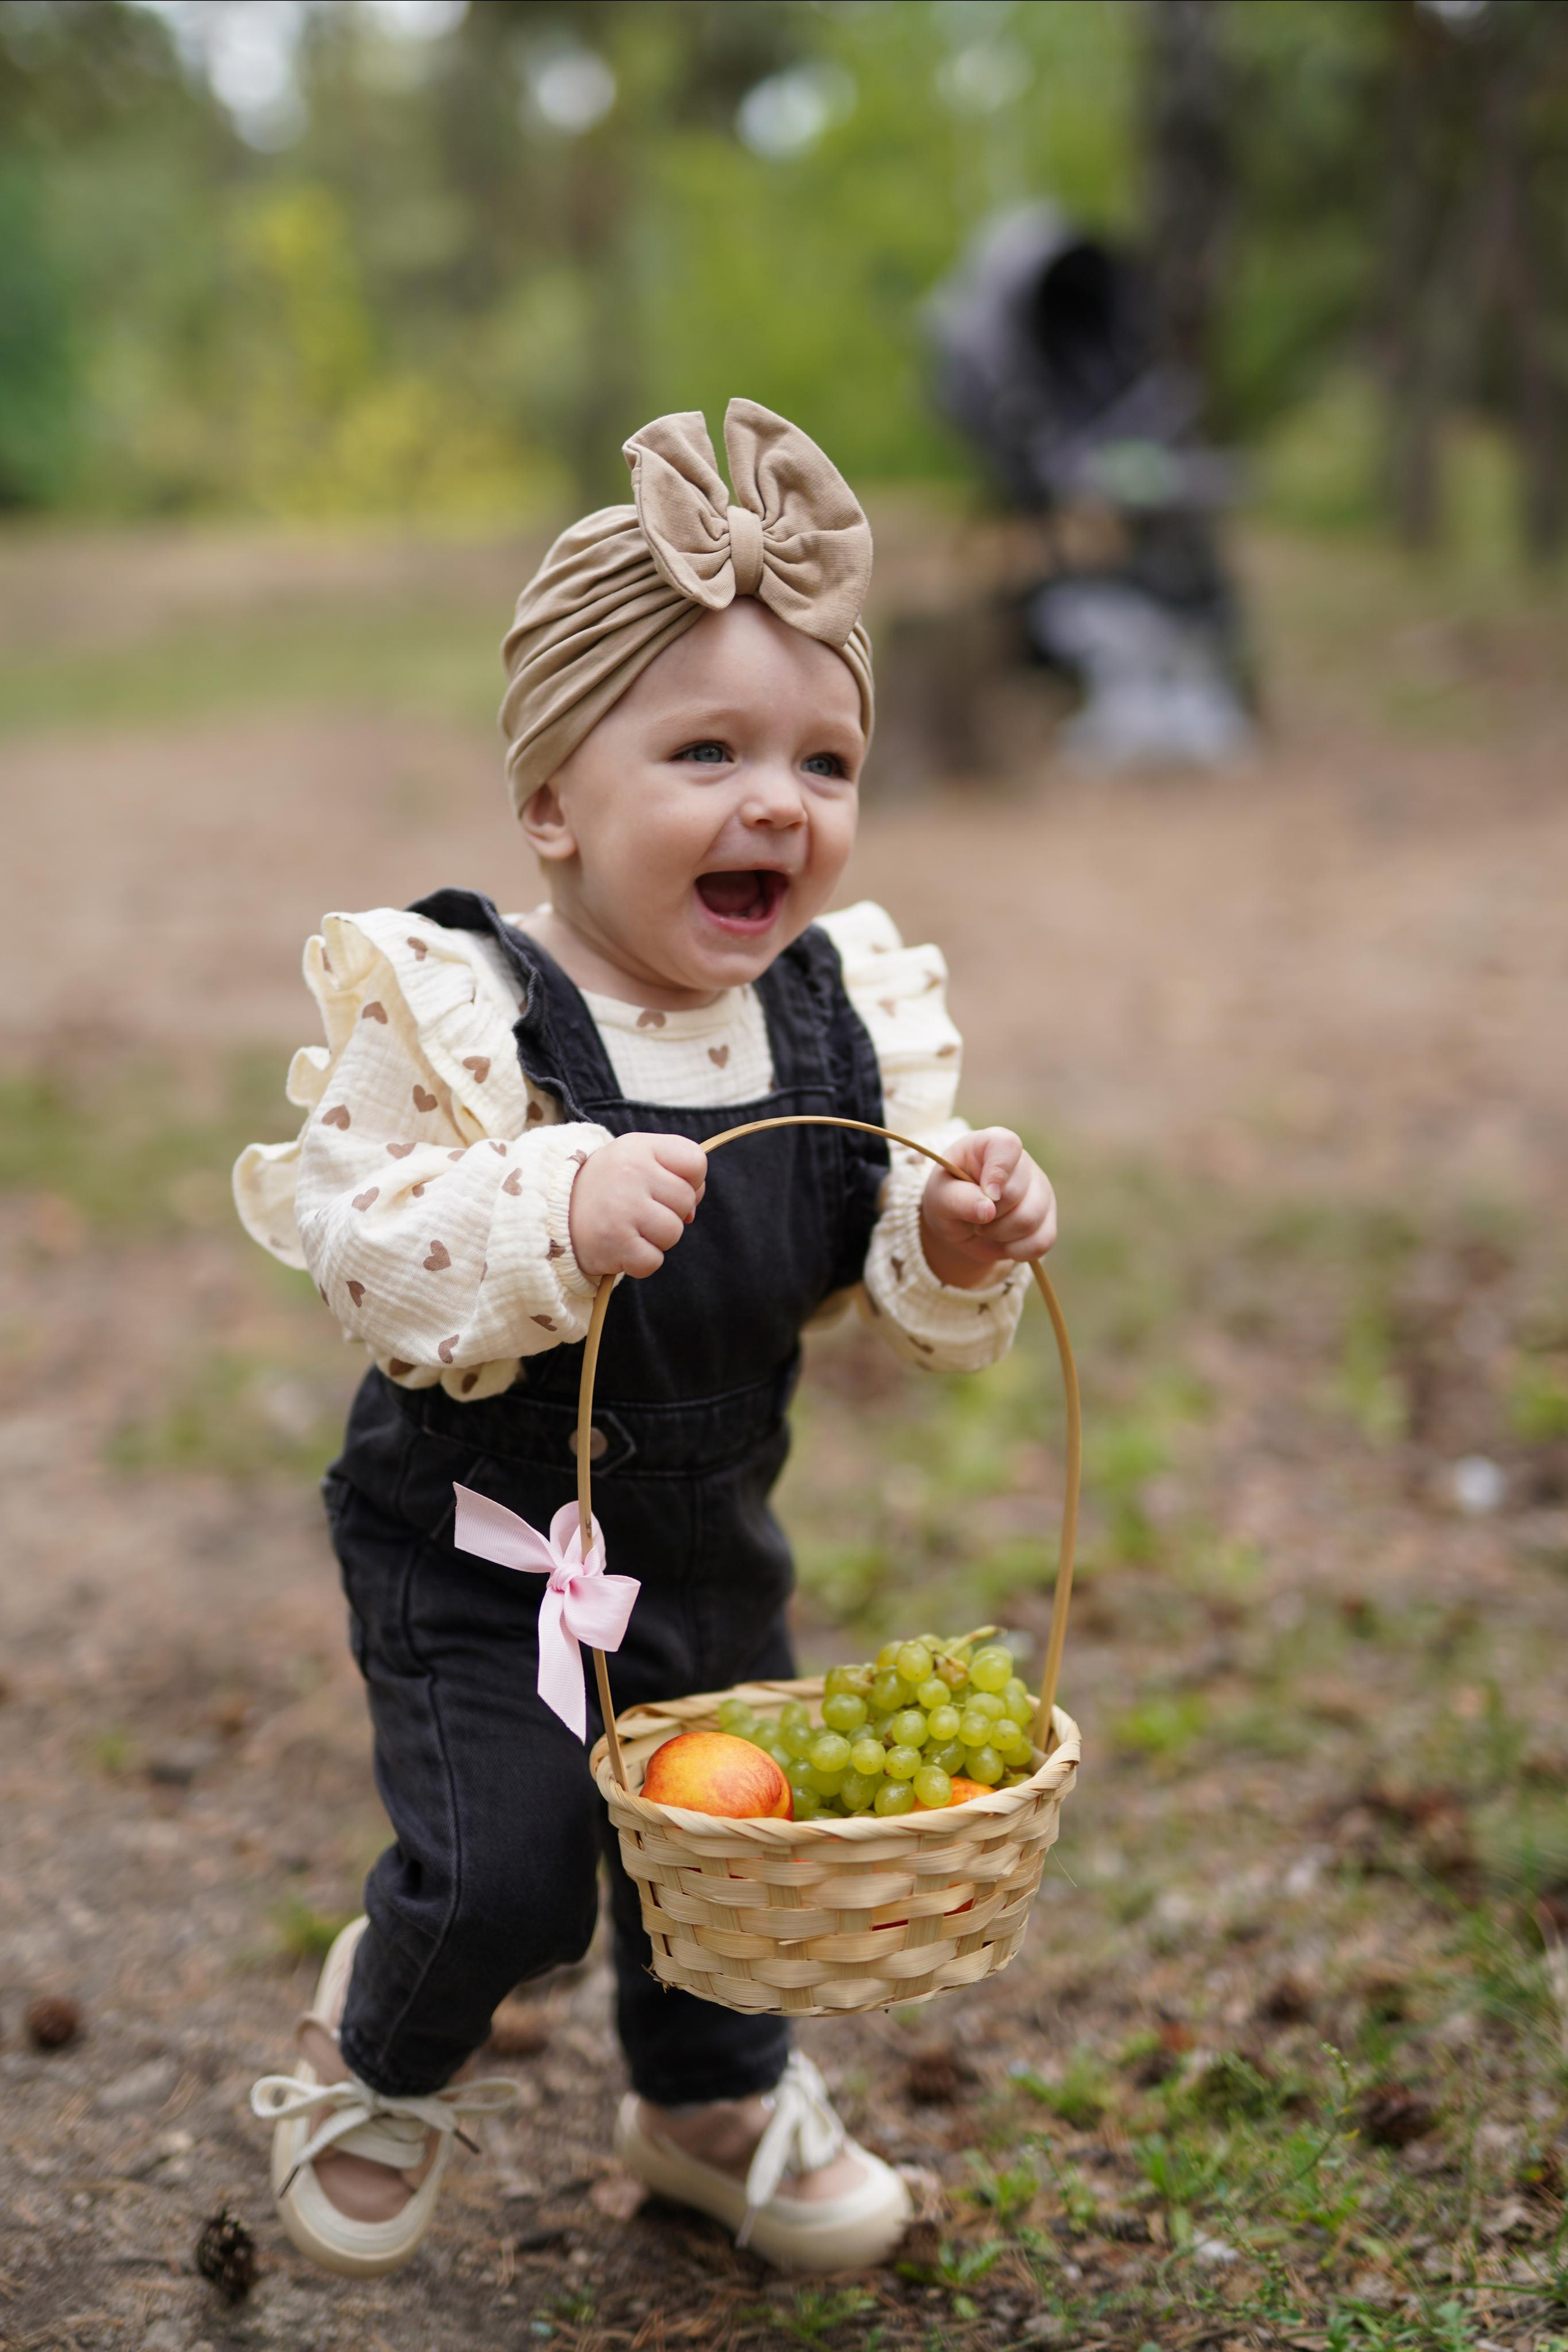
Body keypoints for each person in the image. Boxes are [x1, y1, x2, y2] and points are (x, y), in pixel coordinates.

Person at [235, 399, 1058, 2280]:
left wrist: (947, 1226)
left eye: (824, 760)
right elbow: (367, 1250)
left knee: (734, 1864)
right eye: (707, 750)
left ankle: (711, 2106)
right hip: (487, 1540)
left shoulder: (841, 1014)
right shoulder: (461, 1007)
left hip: (705, 1529)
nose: (780, 802)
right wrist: (548, 1209)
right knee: (513, 1868)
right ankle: (382, 2038)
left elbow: (897, 1288)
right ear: (554, 803)